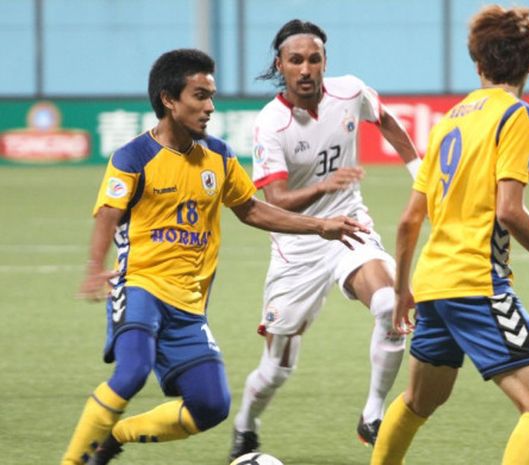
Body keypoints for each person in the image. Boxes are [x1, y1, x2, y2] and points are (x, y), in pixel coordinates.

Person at [59, 48, 368, 465]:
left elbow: (252, 209)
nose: (210, 107)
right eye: (200, 96)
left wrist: (321, 225)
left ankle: (114, 437)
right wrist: (96, 268)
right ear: (170, 100)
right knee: (131, 373)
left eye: (211, 96)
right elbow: (108, 214)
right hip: (140, 286)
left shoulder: (218, 156)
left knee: (211, 406)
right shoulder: (133, 157)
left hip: (189, 304)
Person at [371, 5, 529, 465]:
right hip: (476, 284)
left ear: (477, 62)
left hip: (433, 285)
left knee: (419, 401)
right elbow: (509, 211)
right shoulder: (516, 117)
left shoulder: (449, 120)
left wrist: (402, 292)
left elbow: (410, 219)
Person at [228, 19, 422, 459]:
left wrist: (418, 172)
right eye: (295, 60)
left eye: (314, 59)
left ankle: (373, 414)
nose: (306, 68)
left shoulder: (350, 92)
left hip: (350, 229)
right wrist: (323, 187)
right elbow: (276, 201)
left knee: (393, 306)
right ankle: (246, 424)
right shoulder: (270, 124)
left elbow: (387, 119)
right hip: (297, 246)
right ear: (280, 65)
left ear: (324, 62)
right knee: (277, 368)